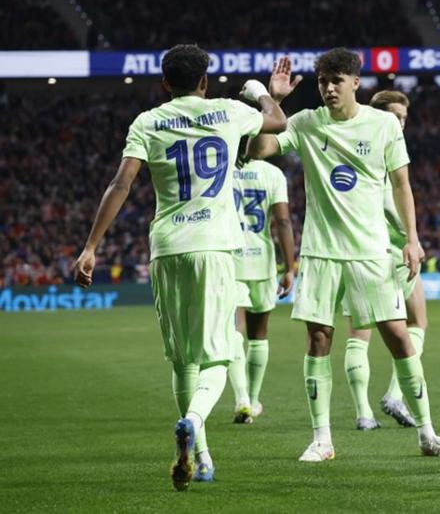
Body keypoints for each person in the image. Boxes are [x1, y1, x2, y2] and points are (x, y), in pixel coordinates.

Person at [71, 44, 297, 491]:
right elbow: (278, 122)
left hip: (168, 246)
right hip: (214, 246)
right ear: (204, 82)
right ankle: (193, 421)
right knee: (221, 353)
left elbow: (121, 183)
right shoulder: (228, 111)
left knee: (182, 357)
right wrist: (261, 91)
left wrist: (91, 246)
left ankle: (203, 456)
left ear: (163, 84)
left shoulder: (148, 121)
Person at [247, 48, 440, 461]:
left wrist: (412, 238)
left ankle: (427, 434)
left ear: (356, 82)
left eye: (336, 80)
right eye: (323, 81)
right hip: (322, 253)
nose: (328, 88)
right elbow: (259, 149)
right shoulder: (307, 122)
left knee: (399, 337)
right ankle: (322, 439)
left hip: (371, 251)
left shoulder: (382, 125)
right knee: (319, 338)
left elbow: (402, 184)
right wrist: (276, 100)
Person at [342, 90, 424, 430]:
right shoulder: (386, 152)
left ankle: (363, 413)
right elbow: (395, 202)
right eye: (394, 117)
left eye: (404, 118)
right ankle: (394, 394)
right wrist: (411, 238)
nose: (400, 123)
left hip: (355, 251)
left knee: (359, 332)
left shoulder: (353, 147)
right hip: (391, 251)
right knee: (416, 322)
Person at [227, 154, 296, 424]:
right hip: (262, 262)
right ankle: (253, 400)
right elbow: (282, 222)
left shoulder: (223, 167)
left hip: (230, 260)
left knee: (232, 331)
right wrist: (290, 267)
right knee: (259, 335)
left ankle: (241, 397)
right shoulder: (273, 174)